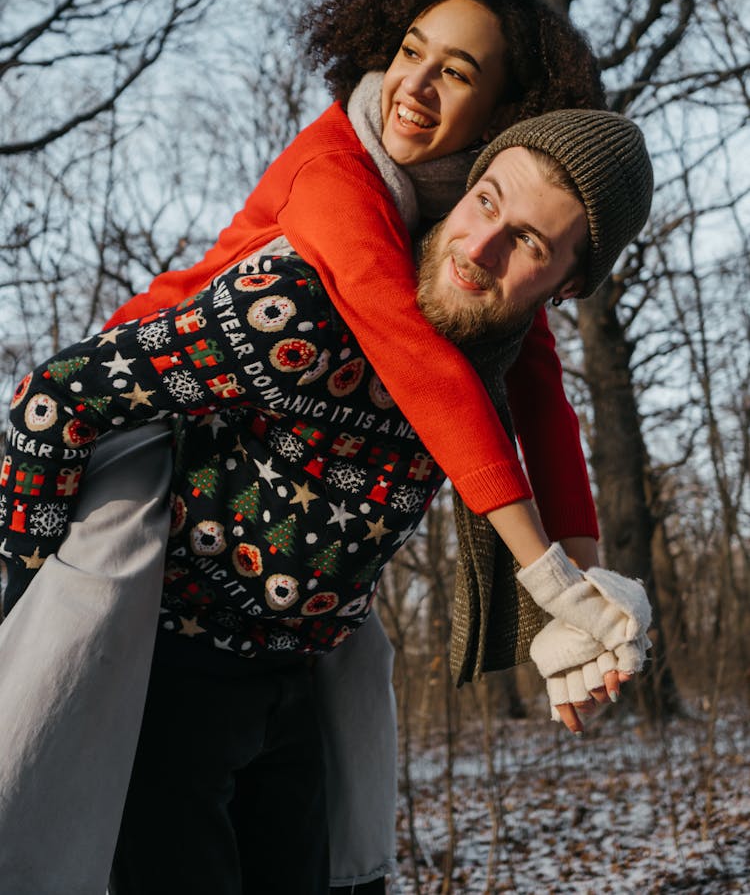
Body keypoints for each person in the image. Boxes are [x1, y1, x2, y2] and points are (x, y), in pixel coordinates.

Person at [0, 108, 654, 895]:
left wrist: (578, 613)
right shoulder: (300, 306)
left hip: (298, 691)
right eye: (486, 201)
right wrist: (23, 603)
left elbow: (551, 434)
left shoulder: (489, 368)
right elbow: (53, 401)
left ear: (569, 284)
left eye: (531, 243)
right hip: (172, 686)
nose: (480, 249)